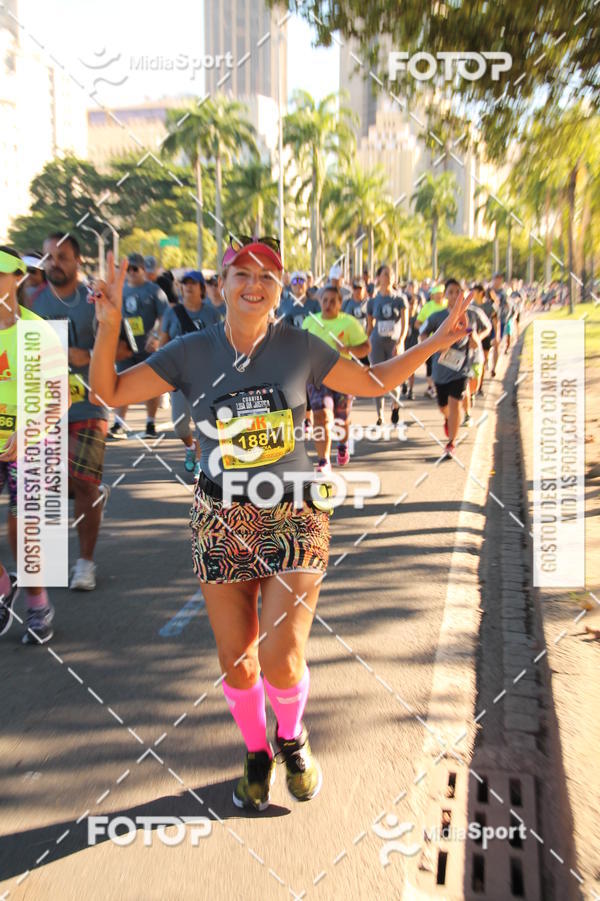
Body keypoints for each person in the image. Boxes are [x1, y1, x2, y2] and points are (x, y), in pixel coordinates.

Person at [89, 238, 470, 812]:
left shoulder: (299, 346)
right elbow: (109, 391)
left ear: (281, 286)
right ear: (221, 284)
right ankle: (255, 751)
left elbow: (372, 382)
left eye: (267, 275)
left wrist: (433, 343)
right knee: (236, 658)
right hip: (220, 516)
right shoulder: (191, 352)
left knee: (280, 656)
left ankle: (292, 737)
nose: (254, 283)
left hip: (294, 510)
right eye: (242, 272)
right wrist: (109, 324)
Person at [33, 233, 108, 591]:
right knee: (48, 485)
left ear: (77, 261)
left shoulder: (93, 299)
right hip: (42, 404)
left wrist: (89, 357)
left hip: (87, 403)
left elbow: (126, 348)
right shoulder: (31, 300)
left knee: (83, 482)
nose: (54, 263)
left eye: (61, 257)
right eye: (48, 257)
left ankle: (85, 563)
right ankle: (44, 568)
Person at [0, 247, 62, 643]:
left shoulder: (37, 331)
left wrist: (27, 434)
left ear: (18, 278)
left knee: (26, 530)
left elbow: (59, 400)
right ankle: (3, 585)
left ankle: (38, 604)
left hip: (30, 443)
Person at [158, 271, 220, 476]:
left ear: (201, 288)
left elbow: (220, 342)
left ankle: (202, 465)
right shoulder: (172, 313)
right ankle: (190, 446)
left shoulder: (210, 313)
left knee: (204, 422)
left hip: (205, 377)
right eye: (185, 283)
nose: (189, 287)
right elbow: (163, 344)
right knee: (180, 426)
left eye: (193, 283)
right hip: (180, 377)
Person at [302, 283, 370, 469]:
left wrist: (348, 349)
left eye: (333, 301)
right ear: (320, 302)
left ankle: (342, 444)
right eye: (325, 300)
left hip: (343, 377)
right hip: (317, 378)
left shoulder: (348, 323)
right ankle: (323, 461)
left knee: (341, 419)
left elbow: (366, 348)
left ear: (340, 303)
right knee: (321, 416)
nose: (328, 304)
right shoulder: (310, 322)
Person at [419, 278, 485, 458]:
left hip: (461, 367)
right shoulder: (436, 317)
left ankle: (451, 442)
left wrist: (474, 341)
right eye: (451, 292)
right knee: (443, 406)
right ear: (445, 295)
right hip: (440, 368)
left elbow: (481, 332)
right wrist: (431, 345)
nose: (455, 295)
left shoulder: (471, 314)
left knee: (455, 402)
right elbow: (422, 333)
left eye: (458, 291)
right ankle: (448, 418)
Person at [107, 252, 168, 440]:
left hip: (148, 347)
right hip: (126, 347)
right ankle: (119, 423)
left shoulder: (154, 291)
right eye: (128, 269)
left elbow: (165, 316)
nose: (131, 272)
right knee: (120, 382)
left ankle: (150, 423)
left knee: (152, 385)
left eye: (135, 269)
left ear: (143, 270)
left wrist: (157, 336)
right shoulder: (121, 290)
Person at [366, 264, 408, 425]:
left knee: (394, 378)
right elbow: (370, 326)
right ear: (379, 278)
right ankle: (380, 415)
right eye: (385, 274)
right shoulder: (373, 301)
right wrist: (365, 343)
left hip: (393, 343)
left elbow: (404, 324)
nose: (389, 276)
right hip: (377, 343)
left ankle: (395, 404)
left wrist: (401, 341)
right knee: (377, 378)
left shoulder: (399, 299)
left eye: (391, 274)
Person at [416, 284, 447, 398]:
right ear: (432, 296)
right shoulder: (428, 307)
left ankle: (438, 387)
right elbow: (418, 323)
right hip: (430, 342)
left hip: (444, 342)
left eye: (441, 294)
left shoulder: (447, 305)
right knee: (430, 366)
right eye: (436, 295)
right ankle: (433, 387)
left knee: (444, 366)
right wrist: (425, 332)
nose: (439, 297)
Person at [342, 279, 369, 365]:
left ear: (364, 289)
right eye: (355, 288)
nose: (357, 291)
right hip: (349, 341)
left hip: (363, 341)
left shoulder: (368, 303)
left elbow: (371, 323)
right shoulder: (346, 302)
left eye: (360, 288)